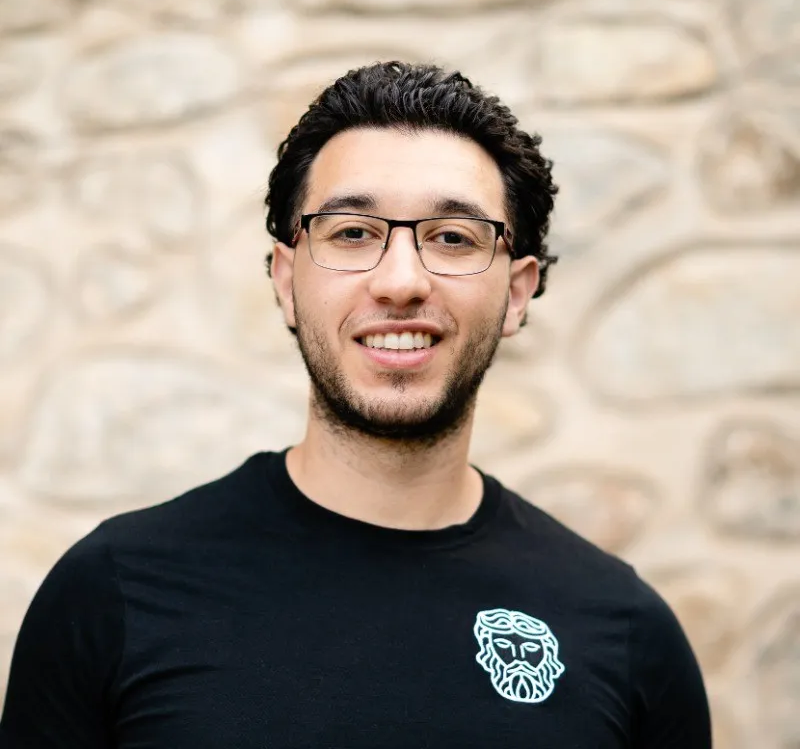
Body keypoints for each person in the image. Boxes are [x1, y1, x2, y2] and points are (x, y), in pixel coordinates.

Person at [0, 62, 711, 748]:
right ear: (286, 278)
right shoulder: (114, 593)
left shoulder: (625, 634)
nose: (401, 281)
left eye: (453, 238)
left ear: (517, 293)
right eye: (352, 233)